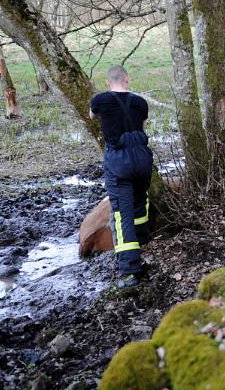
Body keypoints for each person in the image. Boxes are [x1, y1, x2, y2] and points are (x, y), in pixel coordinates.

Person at [89, 65, 153, 290]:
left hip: (119, 161)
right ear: (127, 79)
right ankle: (144, 243)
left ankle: (130, 271)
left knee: (121, 214)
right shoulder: (140, 103)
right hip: (143, 158)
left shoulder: (100, 101)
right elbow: (143, 128)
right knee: (140, 202)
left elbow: (92, 115)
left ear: (108, 82)